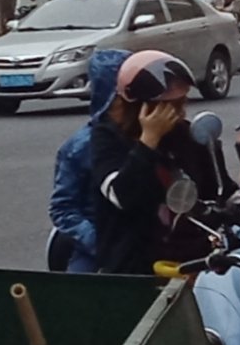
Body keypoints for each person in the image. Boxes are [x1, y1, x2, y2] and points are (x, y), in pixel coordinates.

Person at [84, 50, 223, 276]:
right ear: (142, 107)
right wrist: (149, 140)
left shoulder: (186, 135)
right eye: (169, 105)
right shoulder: (108, 137)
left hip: (192, 259)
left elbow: (216, 189)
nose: (179, 113)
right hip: (134, 265)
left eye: (181, 103)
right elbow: (123, 196)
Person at [47, 51, 128, 274]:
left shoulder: (152, 135)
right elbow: (63, 208)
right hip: (95, 249)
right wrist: (99, 243)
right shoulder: (80, 147)